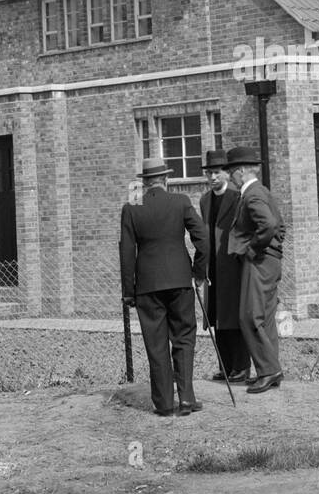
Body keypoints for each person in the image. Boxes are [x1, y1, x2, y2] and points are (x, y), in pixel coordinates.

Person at [119, 157, 208, 417]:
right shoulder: (180, 202)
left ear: (145, 182)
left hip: (147, 285)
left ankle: (164, 403)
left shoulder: (131, 208)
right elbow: (202, 239)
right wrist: (198, 272)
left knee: (156, 344)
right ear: (166, 179)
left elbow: (126, 252)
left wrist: (128, 291)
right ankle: (187, 399)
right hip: (180, 281)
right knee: (183, 338)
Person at [225, 146, 286, 394]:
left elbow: (269, 225)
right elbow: (280, 227)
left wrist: (253, 249)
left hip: (259, 262)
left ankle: (269, 371)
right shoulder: (261, 192)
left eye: (231, 172)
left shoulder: (251, 195)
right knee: (266, 317)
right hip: (269, 261)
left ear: (240, 171)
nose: (230, 176)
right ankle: (270, 371)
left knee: (249, 316)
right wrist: (273, 248)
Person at [198, 149, 250, 383]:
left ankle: (241, 366)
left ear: (227, 174)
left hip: (232, 265)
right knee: (217, 317)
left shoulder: (237, 196)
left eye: (217, 173)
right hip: (213, 267)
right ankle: (225, 366)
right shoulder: (205, 200)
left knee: (234, 317)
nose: (212, 178)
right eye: (209, 173)